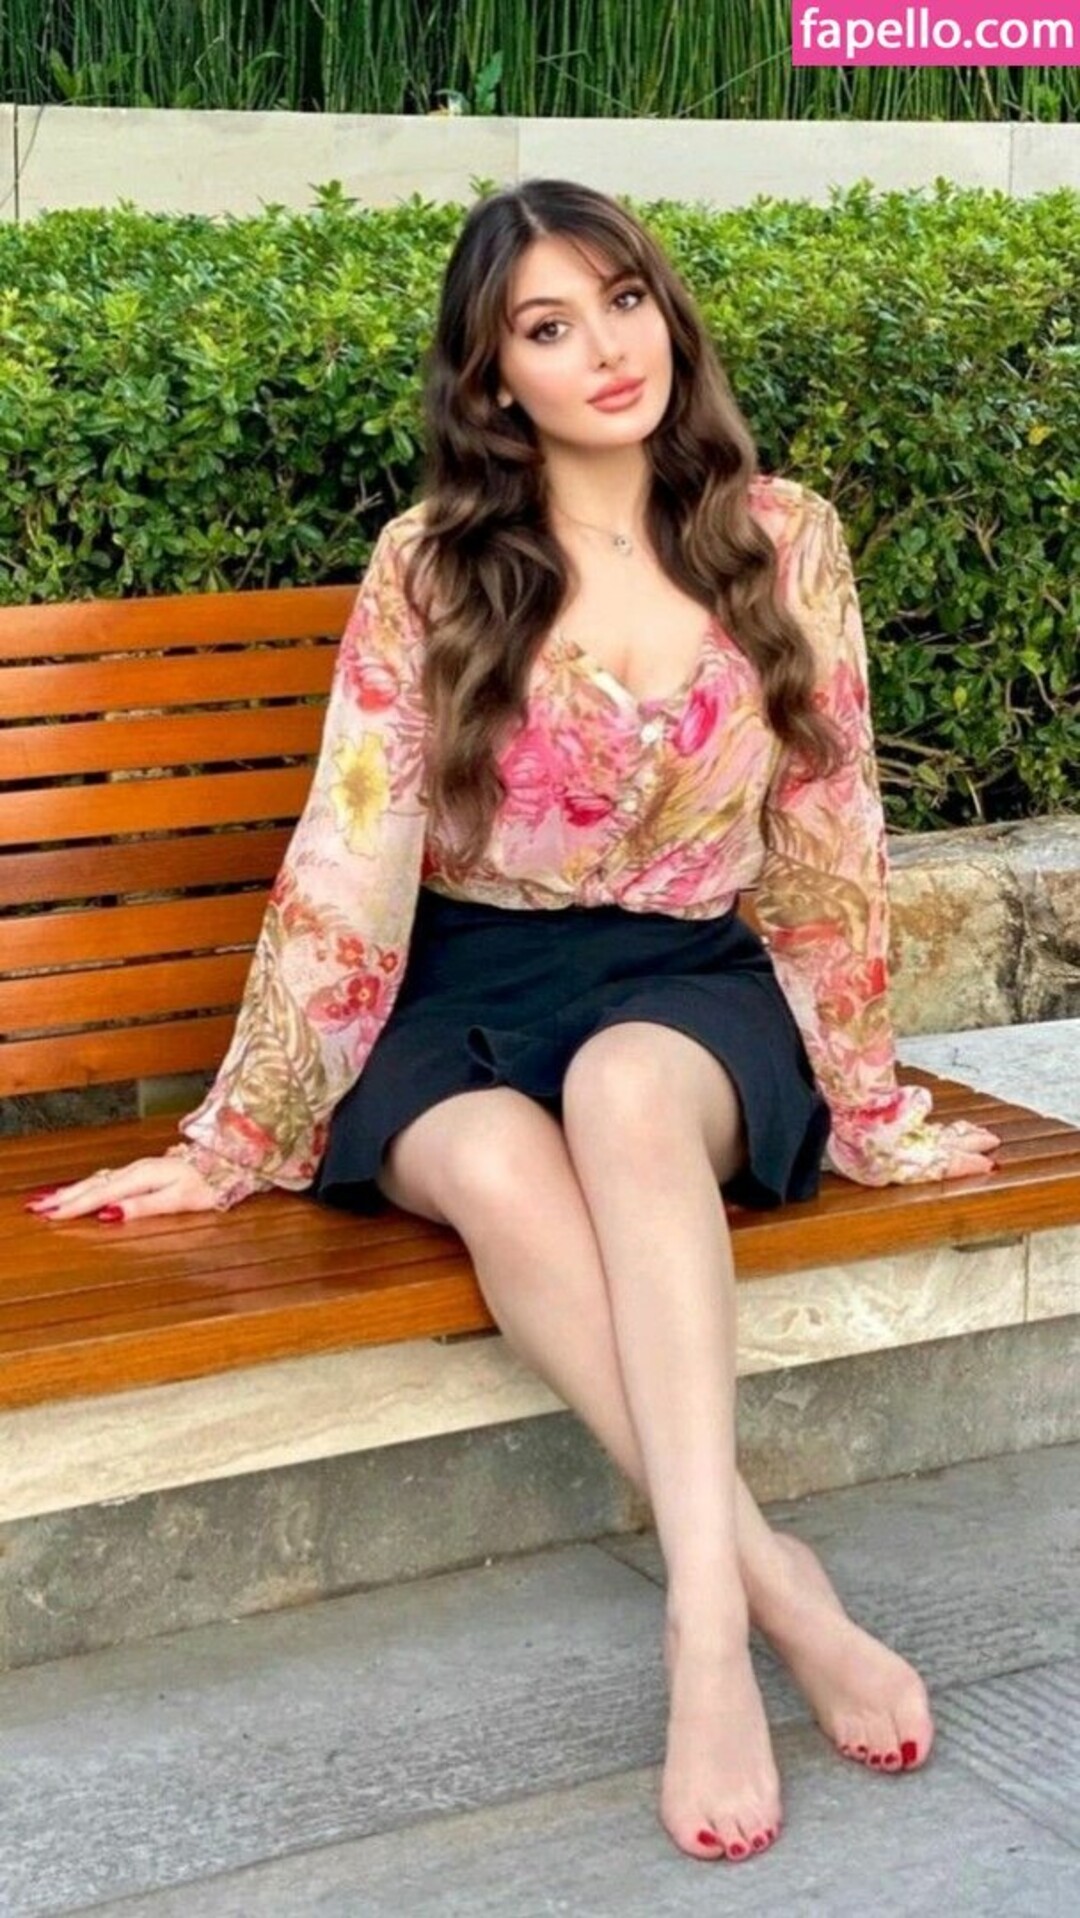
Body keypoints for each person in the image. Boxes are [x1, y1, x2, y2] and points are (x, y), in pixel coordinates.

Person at [27, 178, 1001, 1864]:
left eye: (623, 300)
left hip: (686, 986)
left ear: (666, 312)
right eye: (548, 327)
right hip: (464, 985)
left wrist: (870, 1101)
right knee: (487, 1156)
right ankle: (767, 1580)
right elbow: (355, 836)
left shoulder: (782, 535)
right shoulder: (434, 564)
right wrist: (240, 1131)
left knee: (625, 1093)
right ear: (493, 379)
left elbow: (829, 833)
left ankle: (703, 1630)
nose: (605, 348)